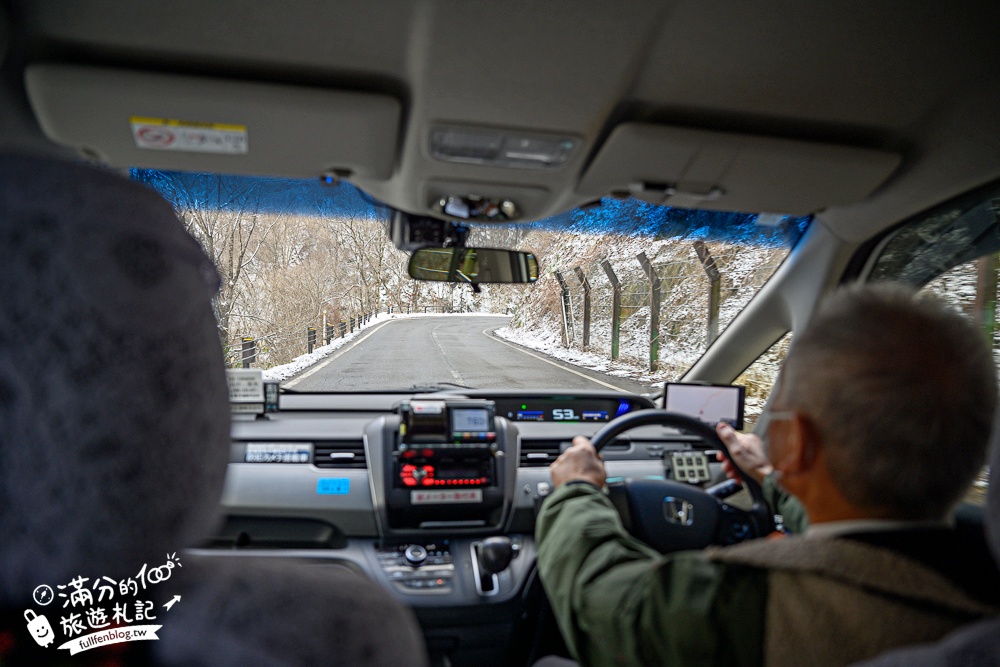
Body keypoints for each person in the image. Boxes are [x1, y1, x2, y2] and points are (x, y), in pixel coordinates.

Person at [535, 282, 1000, 667]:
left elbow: (602, 604)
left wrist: (576, 491)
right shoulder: (983, 582)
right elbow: (863, 546)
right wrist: (770, 478)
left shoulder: (744, 606)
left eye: (774, 418)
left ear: (795, 444)